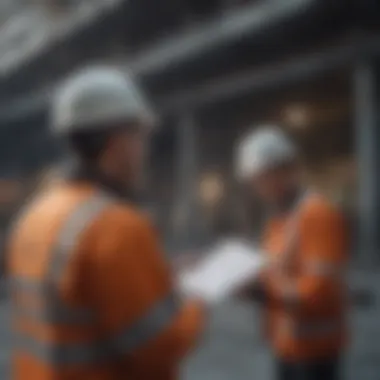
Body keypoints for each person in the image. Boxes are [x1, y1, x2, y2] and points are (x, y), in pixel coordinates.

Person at [7, 67, 206, 380]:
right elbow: (161, 348)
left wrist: (165, 275)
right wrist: (197, 293)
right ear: (119, 143)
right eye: (141, 137)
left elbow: (81, 301)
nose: (145, 152)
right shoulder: (117, 226)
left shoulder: (34, 216)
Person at [236, 126, 349, 380]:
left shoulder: (318, 214)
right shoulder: (278, 221)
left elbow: (320, 290)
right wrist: (249, 284)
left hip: (315, 355)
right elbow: (275, 274)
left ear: (283, 171)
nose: (257, 188)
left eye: (260, 179)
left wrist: (263, 293)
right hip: (285, 347)